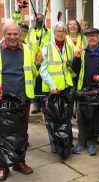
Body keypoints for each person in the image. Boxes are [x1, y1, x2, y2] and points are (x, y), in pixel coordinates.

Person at [0, 20, 38, 181]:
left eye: (16, 33)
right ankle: (2, 166)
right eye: (9, 34)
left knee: (22, 133)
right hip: (2, 99)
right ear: (4, 35)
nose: (13, 37)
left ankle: (19, 162)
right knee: (2, 134)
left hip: (23, 98)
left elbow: (32, 72)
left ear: (20, 34)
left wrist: (38, 63)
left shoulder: (27, 49)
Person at [72, 28, 99, 156]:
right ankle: (80, 142)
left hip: (97, 90)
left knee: (93, 118)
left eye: (94, 36)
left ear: (98, 37)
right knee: (81, 118)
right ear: (86, 39)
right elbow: (75, 70)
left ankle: (91, 143)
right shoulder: (82, 52)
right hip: (83, 90)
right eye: (89, 36)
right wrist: (76, 58)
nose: (92, 38)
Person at [40, 21, 74, 101]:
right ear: (54, 32)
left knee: (66, 112)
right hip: (51, 89)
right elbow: (43, 71)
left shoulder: (69, 47)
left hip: (66, 88)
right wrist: (52, 86)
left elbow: (71, 69)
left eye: (63, 31)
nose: (60, 33)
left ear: (65, 33)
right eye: (58, 31)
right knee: (52, 113)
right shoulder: (46, 47)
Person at [28, 13, 51, 114]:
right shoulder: (30, 31)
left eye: (40, 19)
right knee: (35, 83)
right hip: (32, 61)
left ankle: (44, 104)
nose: (38, 21)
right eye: (37, 19)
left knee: (44, 82)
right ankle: (35, 103)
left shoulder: (48, 32)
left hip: (45, 60)